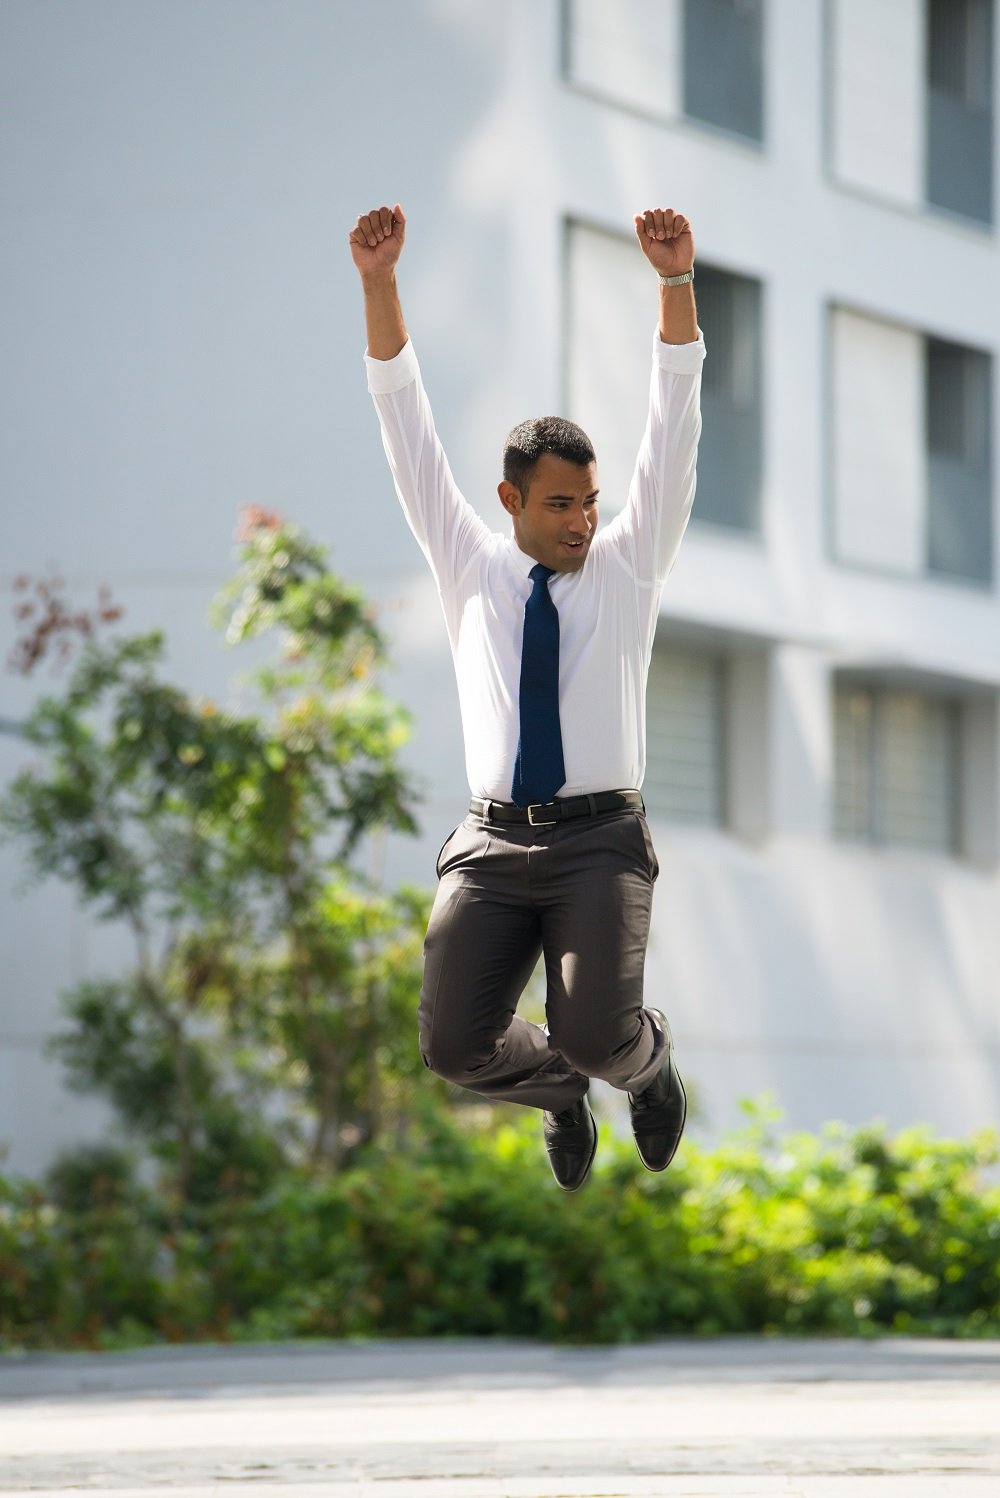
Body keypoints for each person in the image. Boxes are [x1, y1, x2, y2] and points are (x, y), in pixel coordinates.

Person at [349, 201, 705, 1190]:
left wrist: (675, 285)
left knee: (600, 1033)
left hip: (597, 842)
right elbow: (402, 422)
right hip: (495, 844)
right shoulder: (466, 559)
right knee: (453, 1045)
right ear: (510, 500)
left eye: (589, 501)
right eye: (561, 503)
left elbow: (672, 427)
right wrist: (380, 286)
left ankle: (648, 1063)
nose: (583, 521)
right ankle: (557, 1093)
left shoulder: (629, 566)